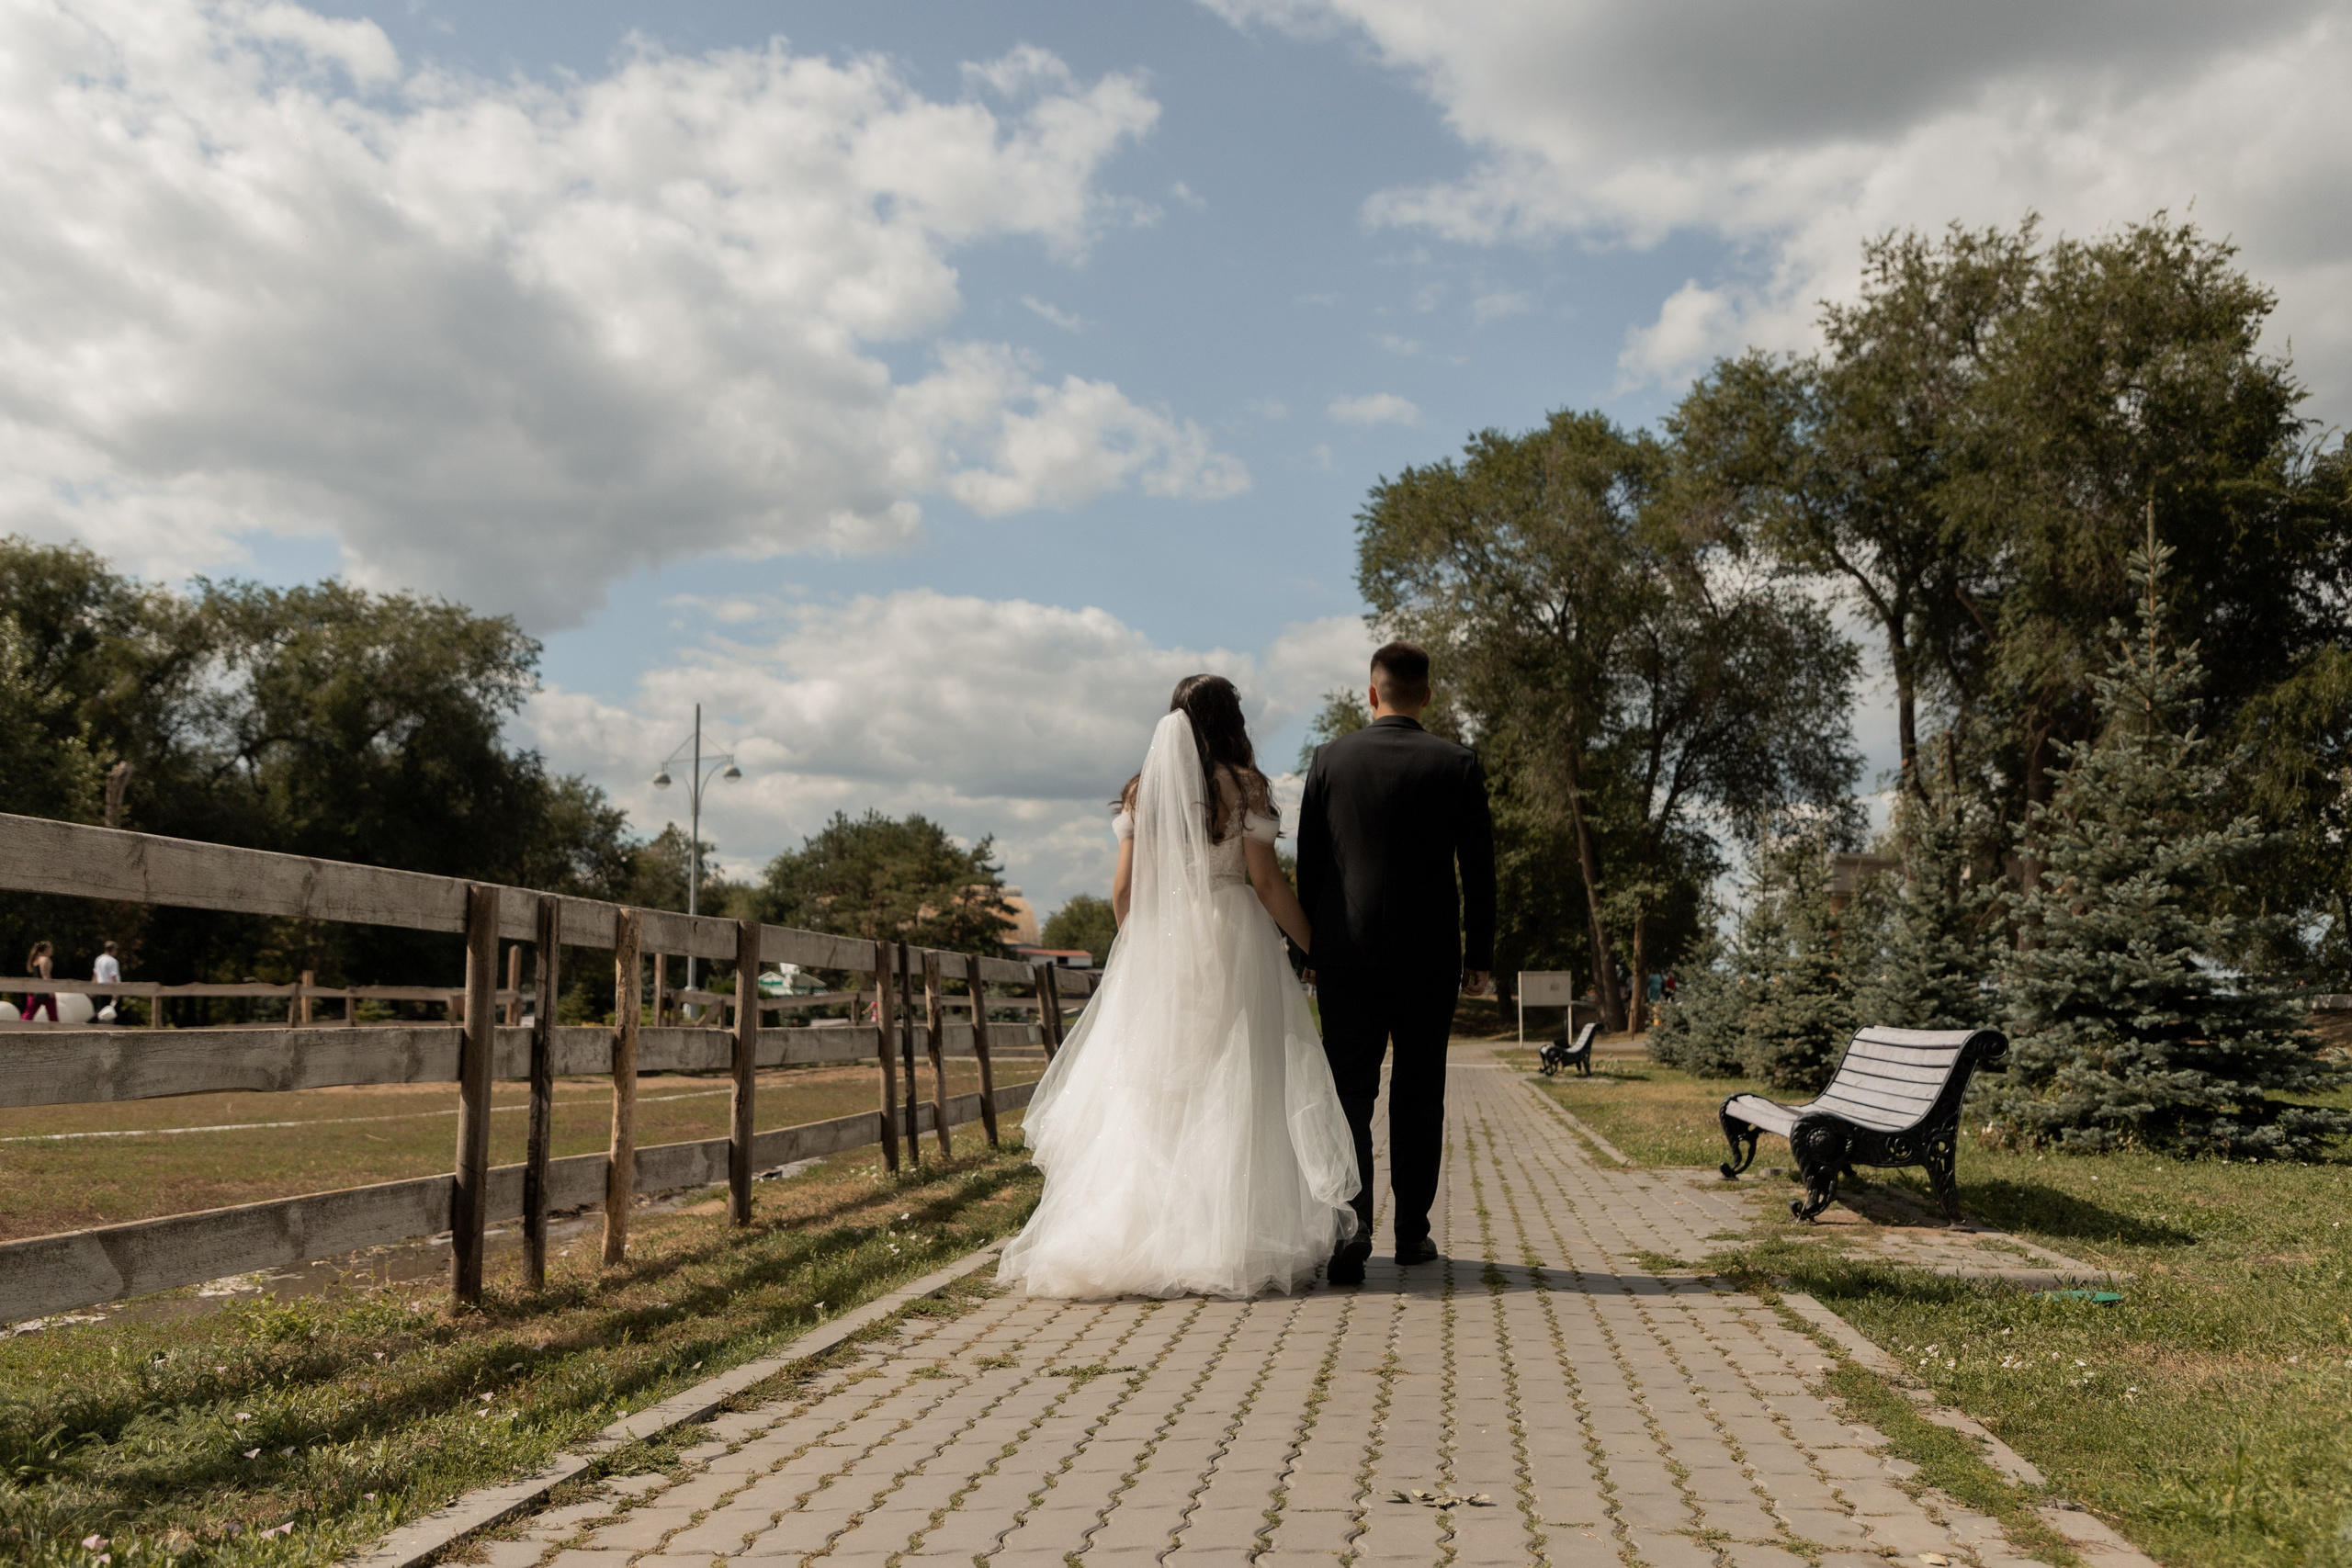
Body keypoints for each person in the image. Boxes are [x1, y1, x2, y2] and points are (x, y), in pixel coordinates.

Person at [999, 675, 1359, 1300]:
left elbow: (1122, 891)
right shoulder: (1245, 786)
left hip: (1164, 940)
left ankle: (1147, 1235)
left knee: (1160, 1088)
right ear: (1231, 720)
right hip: (1234, 938)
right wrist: (1315, 948)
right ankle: (1231, 1236)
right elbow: (1268, 885)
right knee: (1240, 1081)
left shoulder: (1143, 792)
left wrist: (1142, 950)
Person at [1296, 641, 1496, 1285]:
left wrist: (1307, 950)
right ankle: (1413, 1232)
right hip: (1428, 957)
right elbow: (1480, 870)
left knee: (1350, 1093)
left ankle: (1351, 1226)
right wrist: (1482, 955)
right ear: (1428, 695)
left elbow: (1313, 864)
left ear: (1372, 692)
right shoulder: (1457, 763)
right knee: (1419, 1090)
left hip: (1346, 956)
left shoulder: (1329, 760)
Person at [20, 940, 59, 1022]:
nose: (52, 949)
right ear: (46, 949)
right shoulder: (45, 959)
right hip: (45, 989)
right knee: (52, 1016)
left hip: (34, 990)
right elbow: (45, 975)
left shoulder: (36, 959)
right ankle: (56, 1032)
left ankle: (21, 1028)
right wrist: (51, 990)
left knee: (29, 1013)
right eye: (51, 948)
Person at [93, 941, 122, 1022]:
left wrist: (92, 988)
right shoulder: (112, 961)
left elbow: (95, 974)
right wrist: (116, 991)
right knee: (112, 1012)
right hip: (110, 989)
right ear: (112, 950)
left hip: (100, 988)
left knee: (101, 1011)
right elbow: (113, 976)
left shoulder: (99, 959)